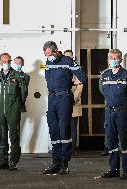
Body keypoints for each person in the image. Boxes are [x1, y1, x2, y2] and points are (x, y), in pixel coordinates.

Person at [43, 41, 87, 175]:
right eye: (46, 55)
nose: (48, 57)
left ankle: (65, 163)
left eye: (50, 54)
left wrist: (71, 83)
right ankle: (55, 162)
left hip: (64, 98)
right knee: (54, 130)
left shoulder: (68, 61)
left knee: (64, 131)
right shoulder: (49, 62)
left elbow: (83, 77)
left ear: (56, 51)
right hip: (52, 98)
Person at [99, 49, 127, 179]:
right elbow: (103, 91)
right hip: (109, 112)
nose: (114, 60)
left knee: (125, 141)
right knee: (111, 141)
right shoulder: (104, 75)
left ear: (121, 60)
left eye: (116, 58)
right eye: (111, 57)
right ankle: (114, 169)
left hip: (122, 112)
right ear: (108, 59)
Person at [0, 53, 26, 170]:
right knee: (1, 136)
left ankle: (13, 162)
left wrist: (17, 106)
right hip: (1, 110)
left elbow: (23, 94)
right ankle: (3, 161)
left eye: (8, 61)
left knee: (14, 136)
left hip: (13, 110)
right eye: (4, 61)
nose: (6, 63)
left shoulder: (18, 76)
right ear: (0, 62)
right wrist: (2, 104)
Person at [64, 50, 83, 156]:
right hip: (62, 104)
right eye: (66, 57)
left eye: (70, 57)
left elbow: (80, 86)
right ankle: (64, 149)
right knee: (62, 127)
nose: (68, 59)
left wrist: (70, 99)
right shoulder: (60, 69)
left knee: (72, 128)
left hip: (73, 104)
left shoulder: (77, 70)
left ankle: (72, 150)